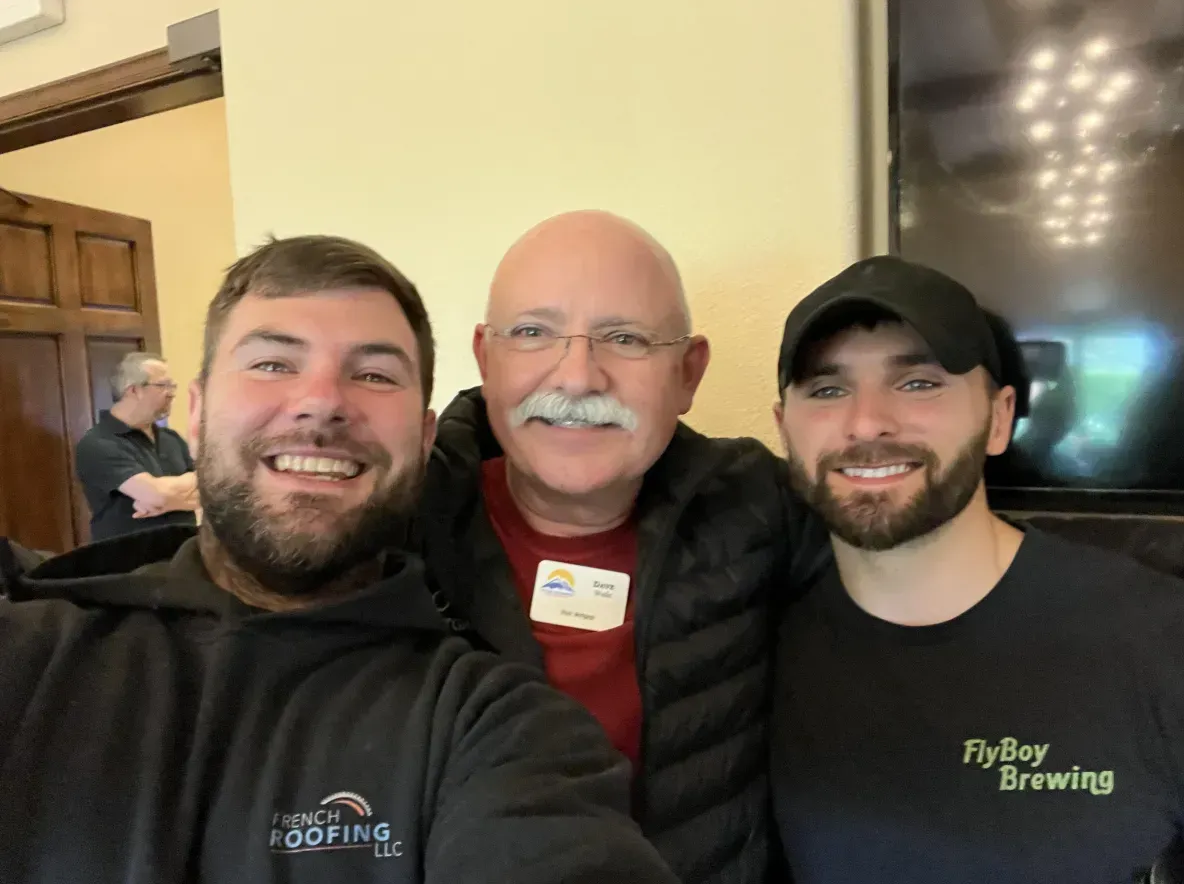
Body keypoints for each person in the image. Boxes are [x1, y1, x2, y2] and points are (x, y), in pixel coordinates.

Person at [0, 235, 680, 884]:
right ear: (199, 410)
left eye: (374, 373)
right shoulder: (34, 649)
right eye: (273, 363)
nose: (322, 401)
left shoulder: (491, 723)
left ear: (422, 438)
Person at [417, 210, 828, 884]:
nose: (577, 377)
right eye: (531, 333)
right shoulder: (403, 525)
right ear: (485, 358)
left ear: (688, 373)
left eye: (625, 338)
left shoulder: (762, 510)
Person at [769, 255, 1184, 883]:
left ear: (999, 418)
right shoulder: (753, 654)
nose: (865, 423)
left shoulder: (1171, 645)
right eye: (828, 389)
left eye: (918, 382)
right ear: (784, 429)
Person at [75, 352, 199, 540]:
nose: (172, 393)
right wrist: (166, 495)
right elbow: (155, 495)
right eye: (162, 385)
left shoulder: (171, 439)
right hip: (130, 562)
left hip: (182, 555)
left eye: (172, 386)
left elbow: (208, 490)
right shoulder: (98, 443)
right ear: (133, 390)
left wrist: (165, 501)